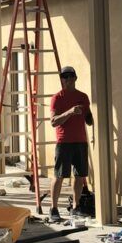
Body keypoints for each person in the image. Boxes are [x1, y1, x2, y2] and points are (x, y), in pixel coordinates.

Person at [49, 66, 92, 223]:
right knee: (59, 176)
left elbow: (89, 119)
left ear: (75, 78)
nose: (67, 79)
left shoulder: (83, 97)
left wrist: (92, 116)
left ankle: (76, 206)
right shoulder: (57, 98)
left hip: (80, 141)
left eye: (70, 76)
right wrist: (70, 112)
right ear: (62, 79)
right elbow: (53, 122)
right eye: (64, 77)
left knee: (80, 176)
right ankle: (53, 209)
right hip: (64, 142)